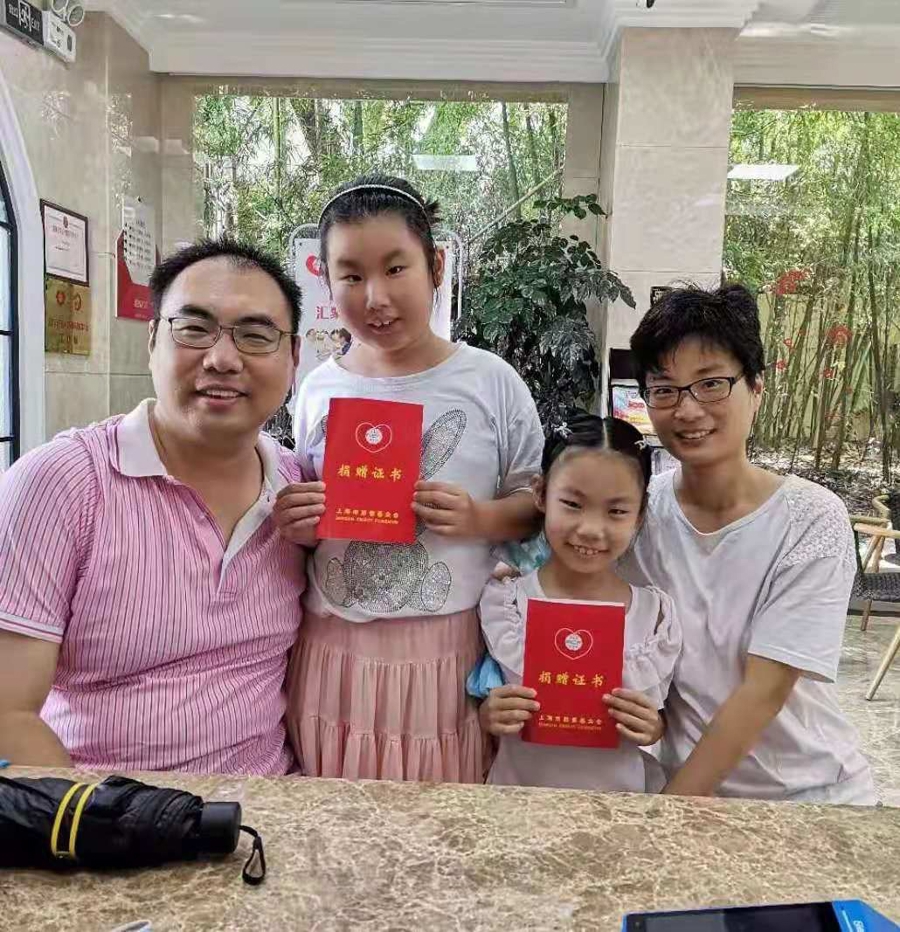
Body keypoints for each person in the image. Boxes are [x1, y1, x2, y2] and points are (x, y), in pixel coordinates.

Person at [0, 239, 306, 775]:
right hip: (105, 810)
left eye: (256, 336)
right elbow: (9, 712)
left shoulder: (298, 489)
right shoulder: (62, 484)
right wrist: (101, 816)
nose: (222, 359)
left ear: (293, 358)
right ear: (152, 341)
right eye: (193, 328)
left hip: (273, 806)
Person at [275, 174, 544, 783]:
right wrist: (303, 525)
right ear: (326, 281)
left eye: (396, 269)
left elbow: (536, 504)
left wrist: (480, 518)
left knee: (439, 813)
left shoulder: (490, 382)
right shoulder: (318, 388)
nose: (375, 297)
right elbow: (313, 517)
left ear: (436, 266)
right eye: (351, 276)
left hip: (447, 654)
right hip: (334, 649)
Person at [622, 283, 875, 804]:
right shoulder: (640, 514)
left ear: (756, 387)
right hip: (692, 795)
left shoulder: (810, 519)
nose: (687, 409)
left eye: (711, 384)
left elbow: (763, 692)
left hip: (807, 799)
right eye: (665, 389)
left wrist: (664, 816)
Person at [474, 414, 682, 791]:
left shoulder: (654, 617)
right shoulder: (505, 604)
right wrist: (489, 714)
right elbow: (480, 699)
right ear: (541, 494)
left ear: (639, 515)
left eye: (616, 511)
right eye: (572, 503)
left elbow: (659, 719)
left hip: (616, 804)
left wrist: (653, 726)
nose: (590, 529)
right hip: (520, 799)